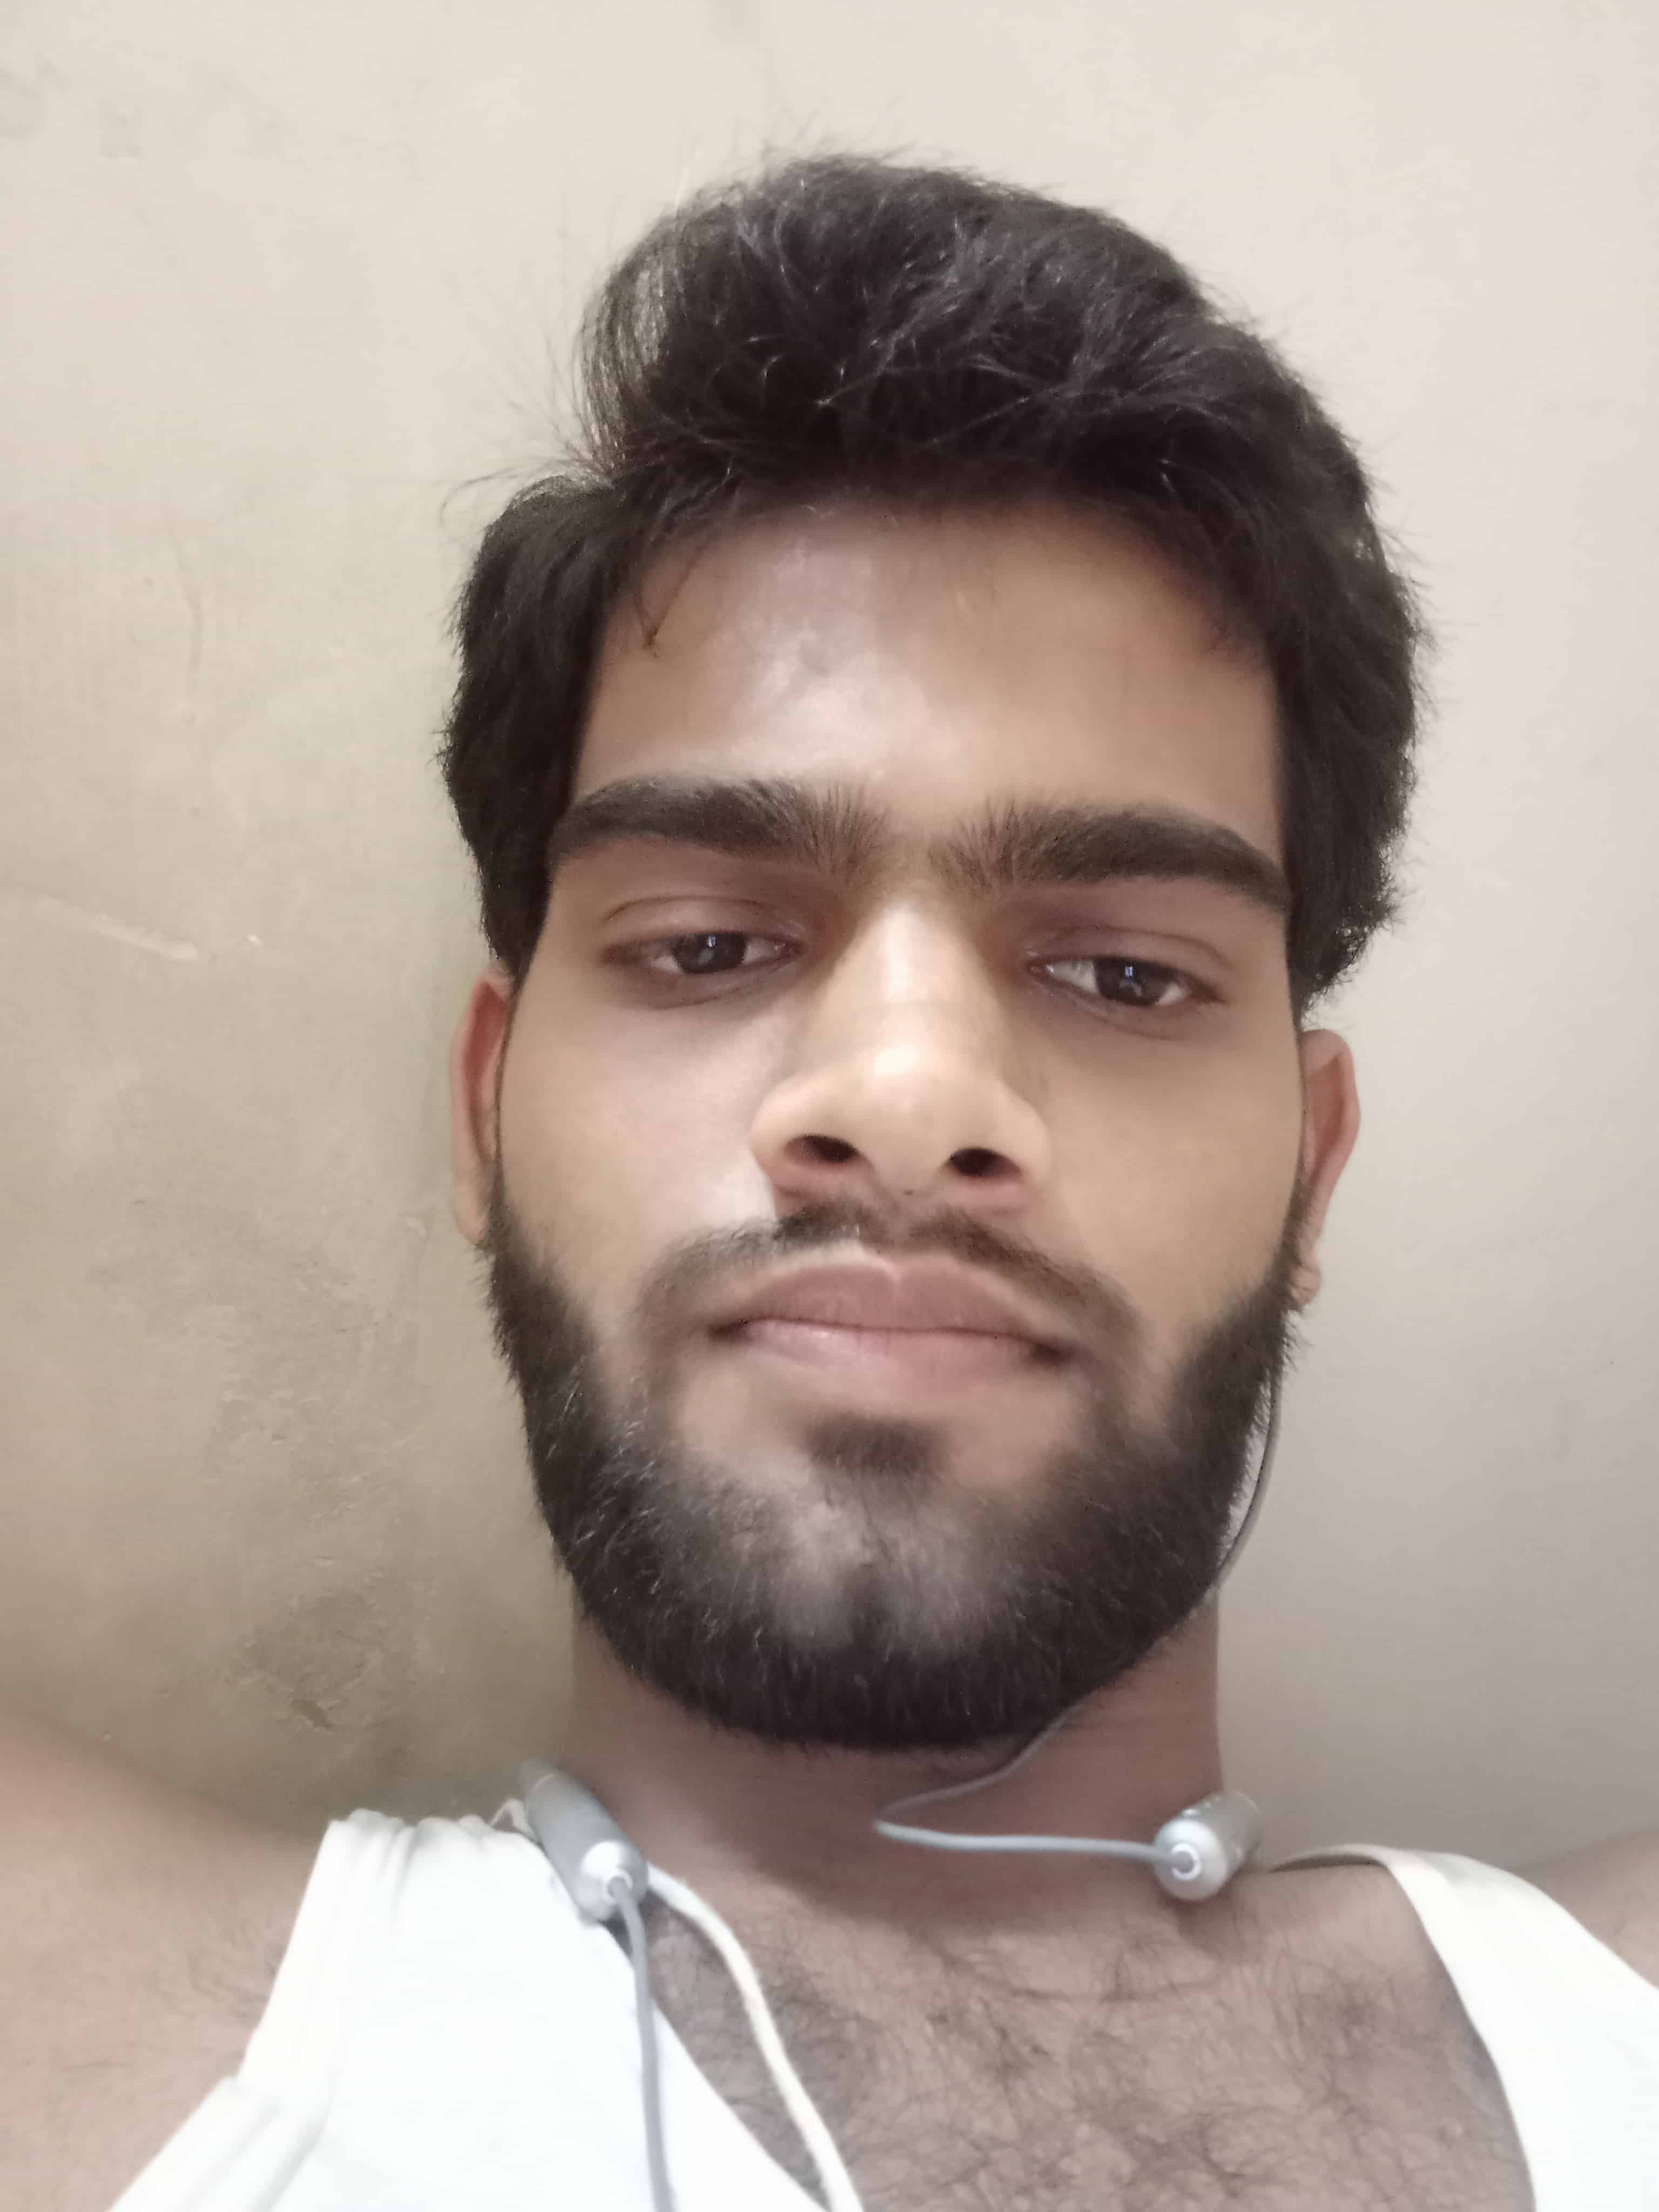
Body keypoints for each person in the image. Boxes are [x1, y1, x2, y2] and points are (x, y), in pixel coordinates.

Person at [4, 153, 1656, 2212]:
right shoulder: (65, 2020)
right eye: (709, 943)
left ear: (1313, 1169)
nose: (905, 1095)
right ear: (485, 1111)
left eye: (1126, 974)